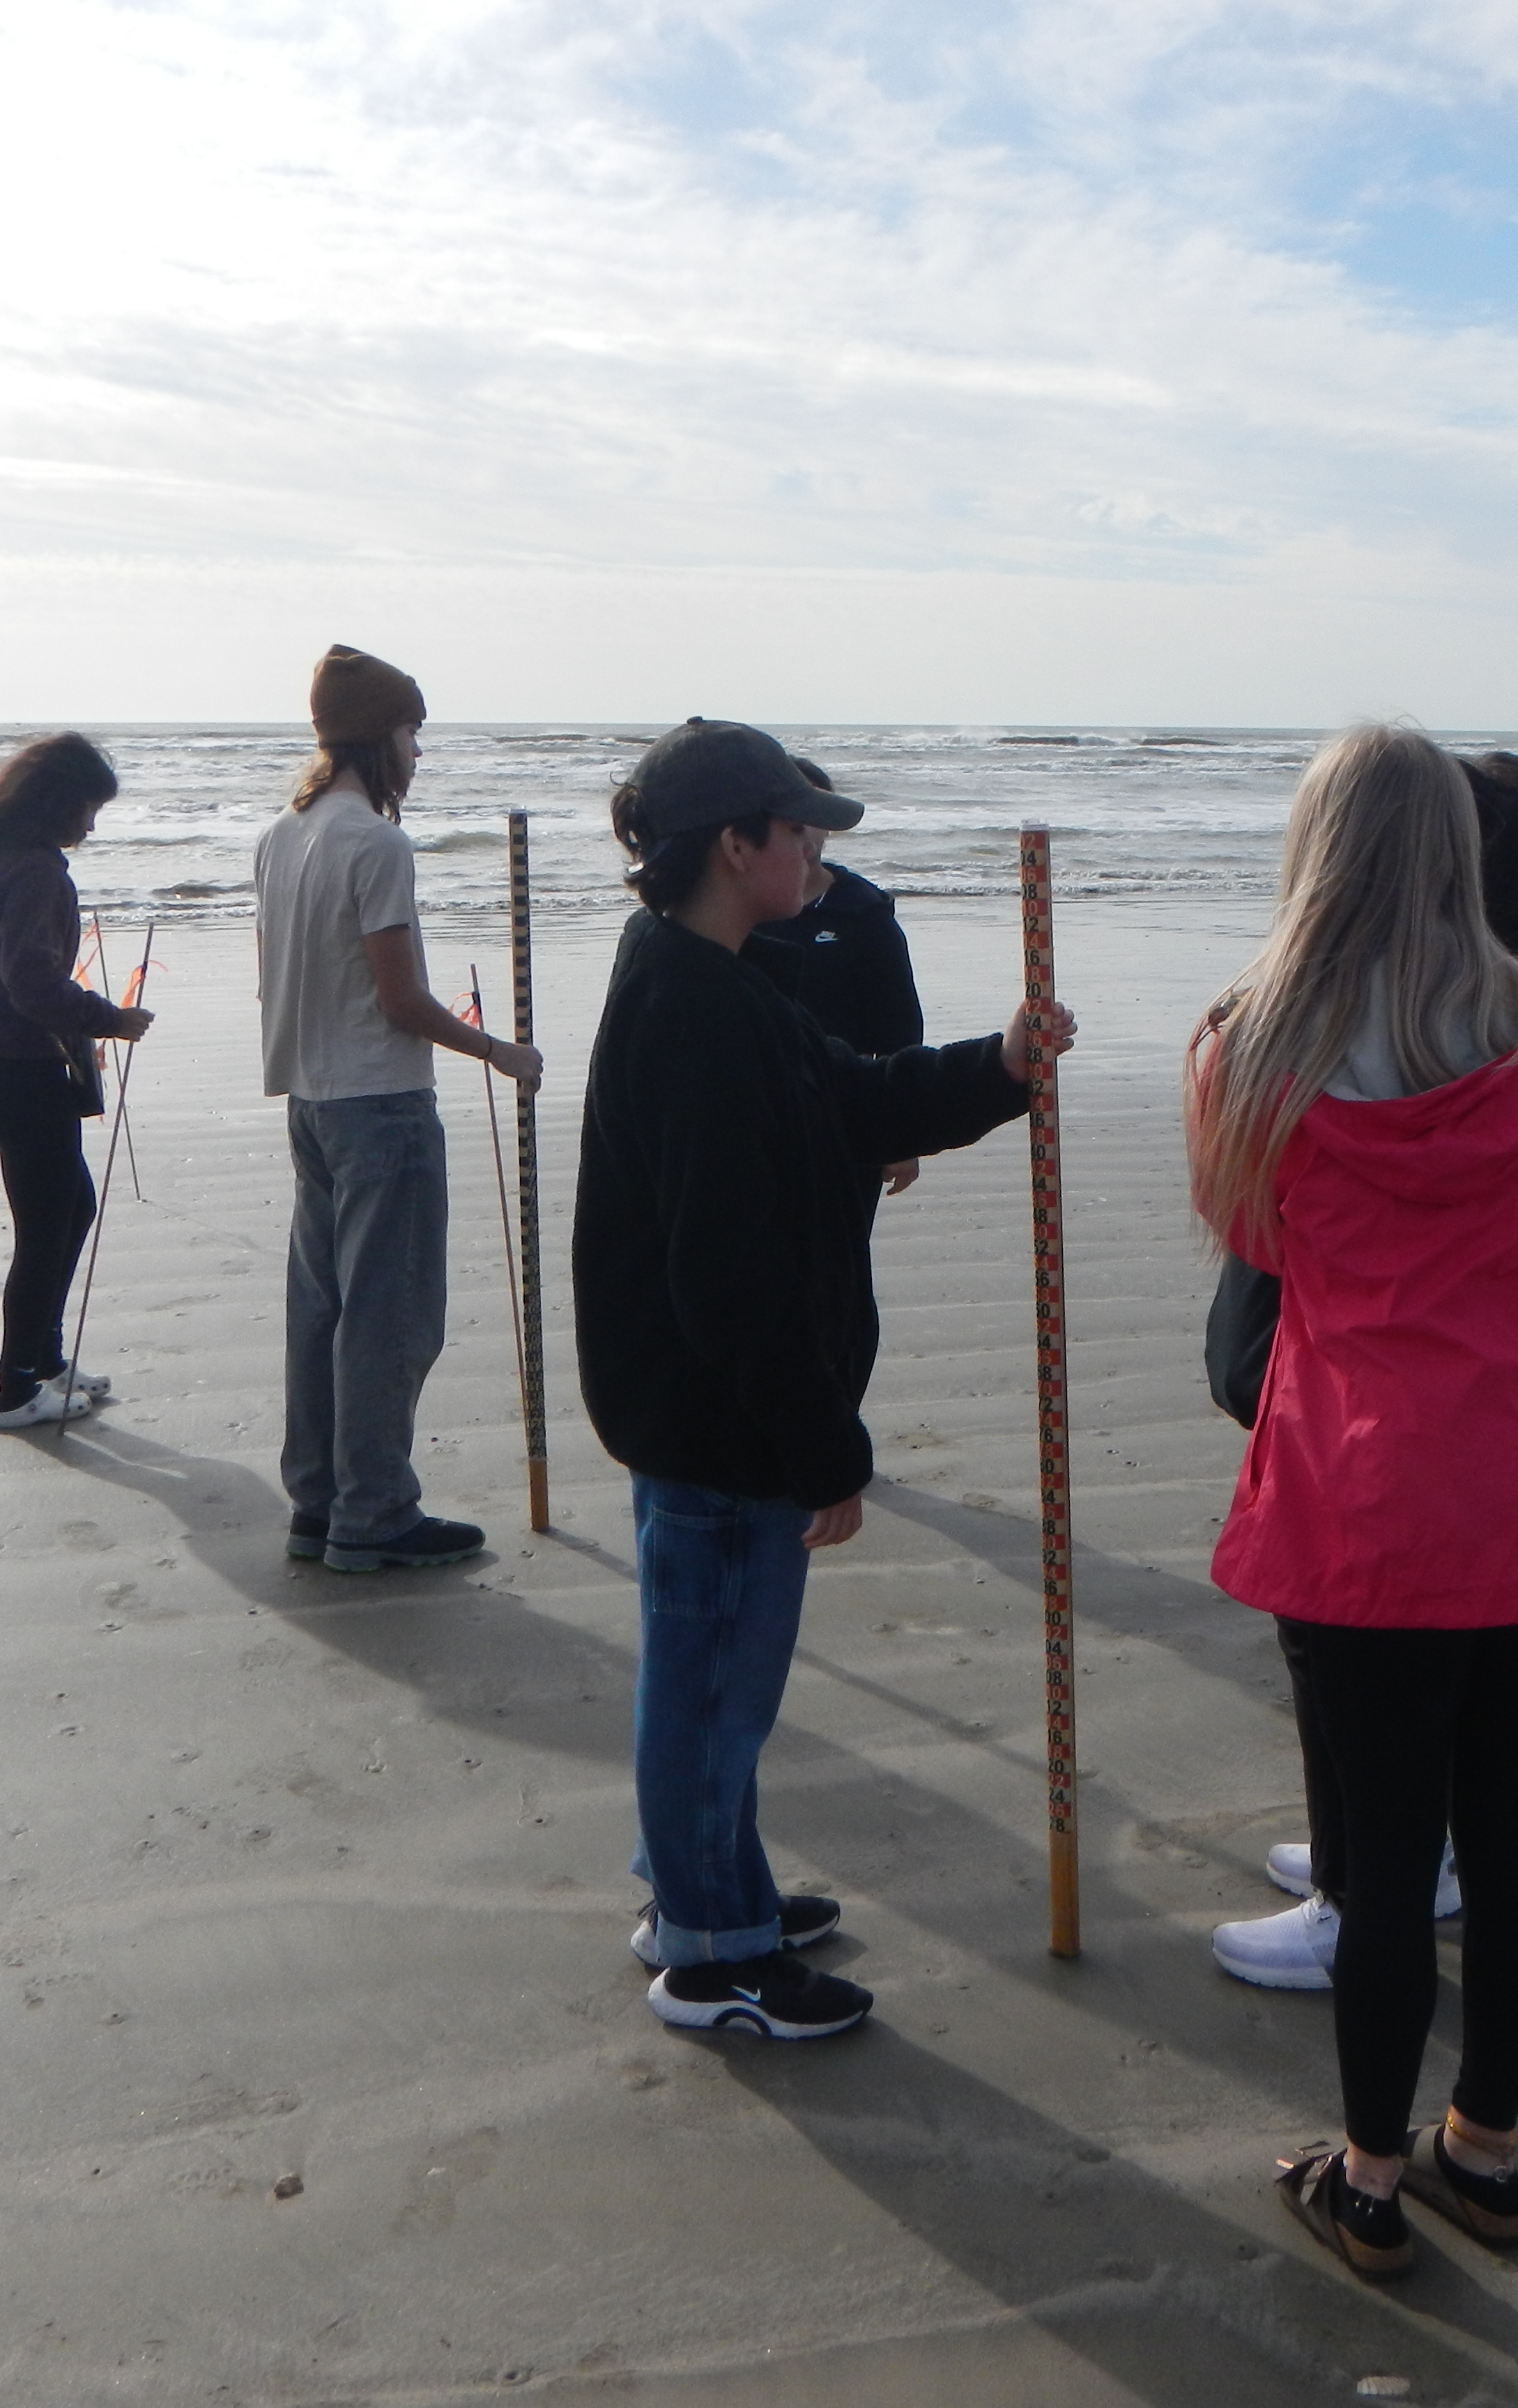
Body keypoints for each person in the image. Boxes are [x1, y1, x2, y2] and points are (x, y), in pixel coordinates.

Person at [1188, 725, 1518, 2278]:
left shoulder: (1251, 1047)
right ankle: (1486, 2151)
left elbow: (1252, 1235)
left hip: (1373, 1484)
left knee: (1389, 1863)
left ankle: (1376, 2178)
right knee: (1502, 1831)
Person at [575, 717, 1075, 2042]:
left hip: (708, 1413)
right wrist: (820, 1446)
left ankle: (703, 1884)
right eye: (799, 832)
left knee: (710, 1682)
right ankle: (712, 1954)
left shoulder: (721, 977)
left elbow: (847, 1099)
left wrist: (997, 1067)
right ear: (733, 846)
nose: (817, 854)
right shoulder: (689, 1005)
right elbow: (722, 1273)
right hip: (719, 1422)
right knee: (712, 1688)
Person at [254, 644, 540, 1574]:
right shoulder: (375, 844)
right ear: (379, 737)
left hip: (311, 1099)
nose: (418, 752)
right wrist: (498, 1051)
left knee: (323, 1307)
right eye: (413, 733)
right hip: (380, 1102)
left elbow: (284, 977)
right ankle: (373, 1511)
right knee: (391, 1314)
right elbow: (401, 999)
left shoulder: (283, 835)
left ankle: (319, 1502)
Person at [0, 732, 158, 1430]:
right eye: (88, 809)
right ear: (56, 802)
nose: (90, 826)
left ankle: (47, 1362)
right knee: (45, 1231)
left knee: (71, 1209)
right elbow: (32, 982)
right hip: (19, 1076)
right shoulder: (33, 871)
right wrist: (110, 1019)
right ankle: (16, 1389)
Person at [751, 758, 928, 1200]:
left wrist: (900, 1133)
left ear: (828, 825)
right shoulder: (737, 911)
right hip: (750, 1123)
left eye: (812, 817)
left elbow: (899, 1032)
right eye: (790, 819)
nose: (803, 832)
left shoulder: (864, 914)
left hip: (843, 1122)